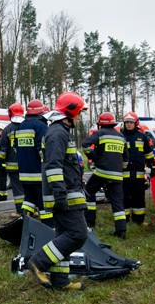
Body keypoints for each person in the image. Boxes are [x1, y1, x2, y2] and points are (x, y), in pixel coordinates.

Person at [26, 92, 88, 291]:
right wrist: (60, 194)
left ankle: (60, 282)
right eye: (79, 113)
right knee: (78, 234)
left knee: (64, 234)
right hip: (64, 195)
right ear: (71, 112)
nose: (79, 117)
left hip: (66, 192)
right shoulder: (57, 133)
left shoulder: (59, 131)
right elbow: (53, 166)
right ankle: (39, 262)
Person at [81, 113, 128, 238]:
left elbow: (85, 144)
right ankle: (121, 231)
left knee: (89, 191)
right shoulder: (120, 136)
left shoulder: (100, 133)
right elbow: (126, 159)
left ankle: (90, 223)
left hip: (102, 172)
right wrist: (120, 169)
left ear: (100, 124)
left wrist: (94, 157)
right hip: (117, 174)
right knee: (117, 202)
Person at [16, 99, 50, 224]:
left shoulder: (21, 126)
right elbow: (42, 149)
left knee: (29, 198)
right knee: (43, 202)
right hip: (38, 172)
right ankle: (48, 228)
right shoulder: (41, 126)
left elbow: (16, 148)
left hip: (24, 172)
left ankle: (24, 222)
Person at [121, 112, 155, 225]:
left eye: (131, 122)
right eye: (127, 122)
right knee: (124, 198)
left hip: (139, 175)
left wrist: (153, 166)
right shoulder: (120, 136)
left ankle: (139, 220)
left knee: (139, 198)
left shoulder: (142, 137)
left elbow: (149, 154)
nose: (129, 124)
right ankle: (124, 220)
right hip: (123, 174)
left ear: (136, 123)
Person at [0, 103, 25, 216]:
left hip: (12, 166)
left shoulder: (7, 129)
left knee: (17, 190)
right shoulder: (27, 127)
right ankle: (31, 209)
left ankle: (20, 211)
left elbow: (3, 149)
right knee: (28, 188)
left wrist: (0, 162)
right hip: (26, 165)